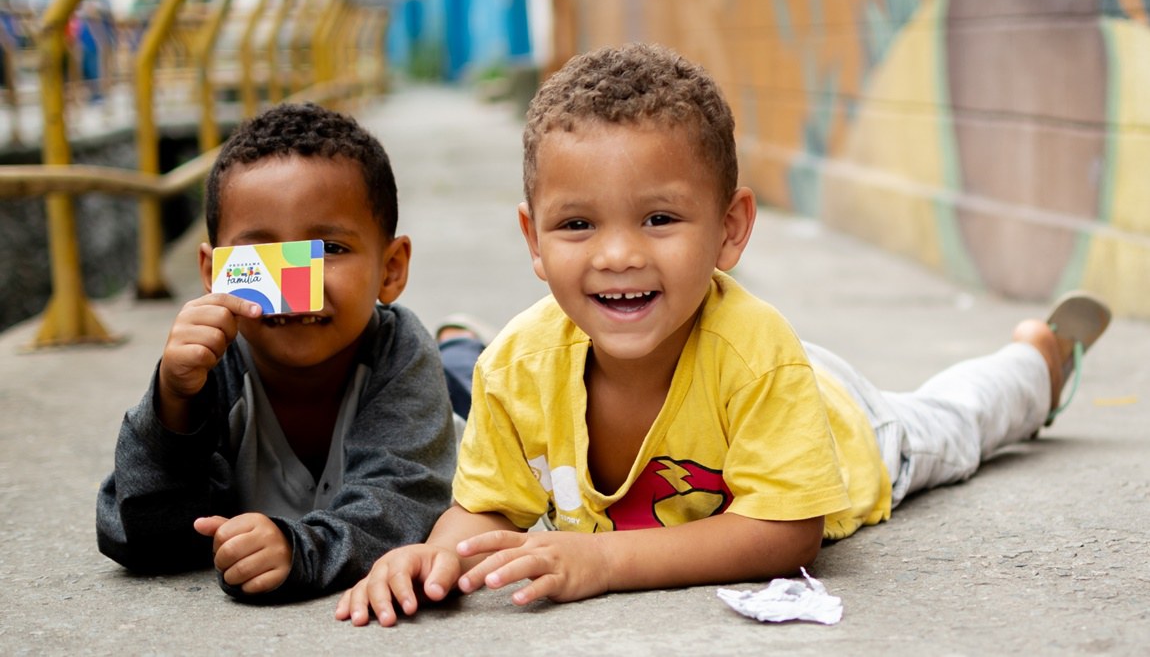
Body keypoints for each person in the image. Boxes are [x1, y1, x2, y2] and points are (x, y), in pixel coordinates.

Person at [335, 43, 1111, 627]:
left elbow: (784, 533)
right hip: (745, 375)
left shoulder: (755, 347)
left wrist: (602, 559)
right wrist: (435, 557)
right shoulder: (517, 365)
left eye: (660, 219)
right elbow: (488, 509)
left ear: (731, 230)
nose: (617, 254)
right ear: (533, 240)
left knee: (955, 423)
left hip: (845, 425)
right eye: (577, 225)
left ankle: (1037, 362)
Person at [96, 102, 458, 601]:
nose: (295, 282)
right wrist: (173, 403)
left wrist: (300, 551)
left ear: (391, 269)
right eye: (259, 256)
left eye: (328, 248)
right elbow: (132, 529)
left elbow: (402, 506)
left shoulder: (400, 356)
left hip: (444, 396)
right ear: (212, 274)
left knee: (465, 373)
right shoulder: (208, 367)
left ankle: (459, 343)